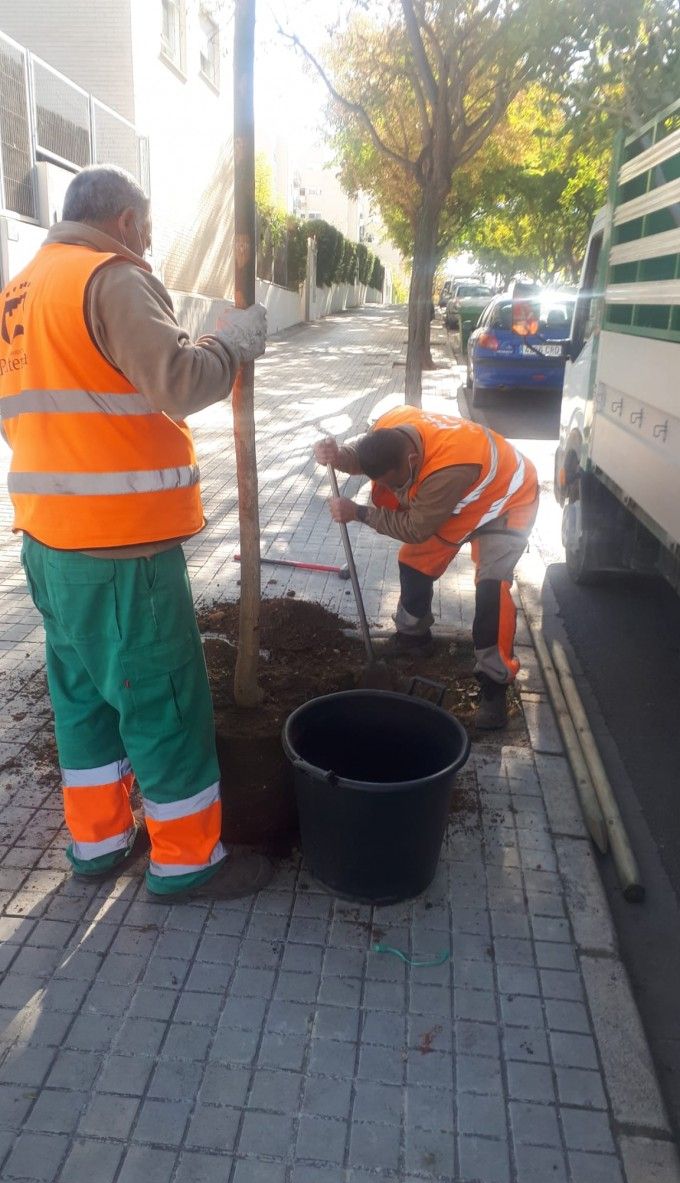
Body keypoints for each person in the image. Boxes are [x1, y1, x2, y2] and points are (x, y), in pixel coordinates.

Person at [0, 164, 271, 901]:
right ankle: (186, 860)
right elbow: (179, 380)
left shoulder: (21, 291)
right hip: (123, 551)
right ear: (122, 221)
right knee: (164, 700)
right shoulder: (109, 277)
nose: (148, 247)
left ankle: (99, 844)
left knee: (84, 699)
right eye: (145, 232)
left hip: (48, 547)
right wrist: (232, 344)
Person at [314, 405, 539, 729]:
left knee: (492, 588)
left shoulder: (448, 469)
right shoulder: (391, 424)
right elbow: (361, 458)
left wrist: (359, 513)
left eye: (395, 483)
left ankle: (494, 686)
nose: (393, 490)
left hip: (508, 499)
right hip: (463, 499)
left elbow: (416, 528)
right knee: (415, 560)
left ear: (412, 462)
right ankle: (414, 639)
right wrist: (337, 456)